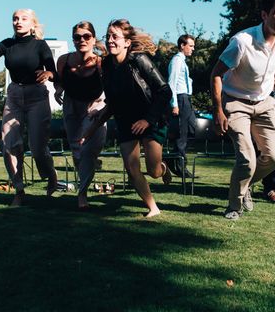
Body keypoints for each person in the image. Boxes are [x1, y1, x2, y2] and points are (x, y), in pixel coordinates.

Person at [210, 0, 275, 220]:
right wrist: (218, 110)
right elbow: (216, 75)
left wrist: (269, 91)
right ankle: (234, 207)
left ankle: (244, 186)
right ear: (264, 15)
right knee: (247, 159)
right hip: (235, 102)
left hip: (264, 104)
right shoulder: (242, 42)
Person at [0, 9, 58, 207]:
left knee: (37, 148)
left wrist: (49, 74)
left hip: (36, 96)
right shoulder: (6, 45)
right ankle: (19, 189)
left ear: (33, 24)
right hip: (15, 95)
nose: (18, 22)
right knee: (9, 144)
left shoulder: (40, 45)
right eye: (15, 19)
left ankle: (51, 176)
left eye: (23, 19)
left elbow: (52, 69)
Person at [81, 19, 172, 217]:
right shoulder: (106, 66)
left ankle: (163, 169)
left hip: (151, 118)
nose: (110, 41)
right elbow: (113, 103)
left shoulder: (139, 60)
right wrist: (90, 131)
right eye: (108, 37)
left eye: (115, 37)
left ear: (127, 42)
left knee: (153, 171)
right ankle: (153, 207)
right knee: (131, 168)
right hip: (126, 121)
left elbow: (165, 91)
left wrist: (148, 120)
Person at [54, 21, 107, 210]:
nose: (81, 40)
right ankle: (90, 164)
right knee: (77, 152)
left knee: (86, 149)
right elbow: (59, 81)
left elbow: (109, 86)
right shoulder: (64, 60)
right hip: (71, 107)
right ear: (73, 40)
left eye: (86, 36)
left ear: (93, 39)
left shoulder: (101, 62)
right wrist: (58, 89)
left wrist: (102, 104)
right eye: (77, 37)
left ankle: (82, 194)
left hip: (94, 105)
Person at [166, 34, 196, 178]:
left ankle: (173, 157)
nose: (192, 49)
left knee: (192, 128)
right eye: (190, 46)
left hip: (187, 98)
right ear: (182, 46)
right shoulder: (177, 61)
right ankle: (179, 165)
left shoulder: (183, 61)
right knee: (182, 134)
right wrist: (174, 104)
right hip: (180, 98)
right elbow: (171, 83)